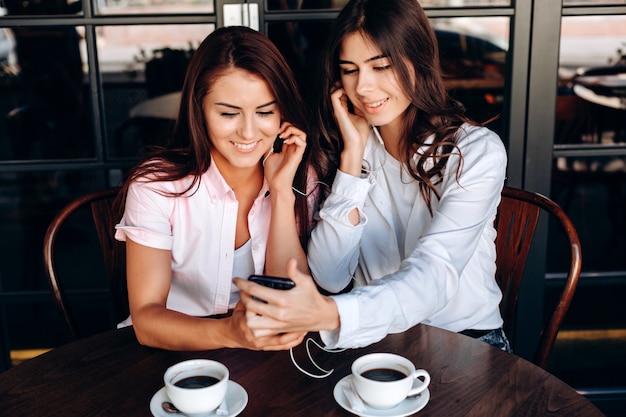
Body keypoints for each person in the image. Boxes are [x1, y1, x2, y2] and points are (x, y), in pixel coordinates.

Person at [235, 0, 511, 352]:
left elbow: (436, 272)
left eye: (381, 66)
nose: (363, 87)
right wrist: (352, 156)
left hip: (467, 343)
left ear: (419, 62)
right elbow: (330, 276)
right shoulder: (357, 148)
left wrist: (333, 315)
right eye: (350, 70)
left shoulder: (476, 151)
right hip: (380, 343)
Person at [114, 26, 328, 351]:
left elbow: (289, 299)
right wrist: (231, 334)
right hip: (170, 355)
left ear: (283, 112)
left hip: (266, 354)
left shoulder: (299, 175)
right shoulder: (155, 187)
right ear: (199, 110)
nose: (247, 131)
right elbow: (145, 320)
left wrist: (282, 193)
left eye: (265, 112)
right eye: (228, 113)